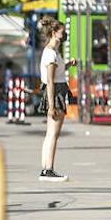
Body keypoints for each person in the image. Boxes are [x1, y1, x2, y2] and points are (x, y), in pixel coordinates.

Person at [38, 16, 74, 182]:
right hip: (56, 92)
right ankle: (48, 169)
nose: (64, 34)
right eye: (62, 32)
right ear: (54, 33)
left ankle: (46, 168)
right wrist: (52, 105)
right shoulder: (51, 53)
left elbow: (56, 72)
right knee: (53, 134)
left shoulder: (52, 53)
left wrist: (67, 65)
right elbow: (51, 80)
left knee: (49, 134)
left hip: (56, 90)